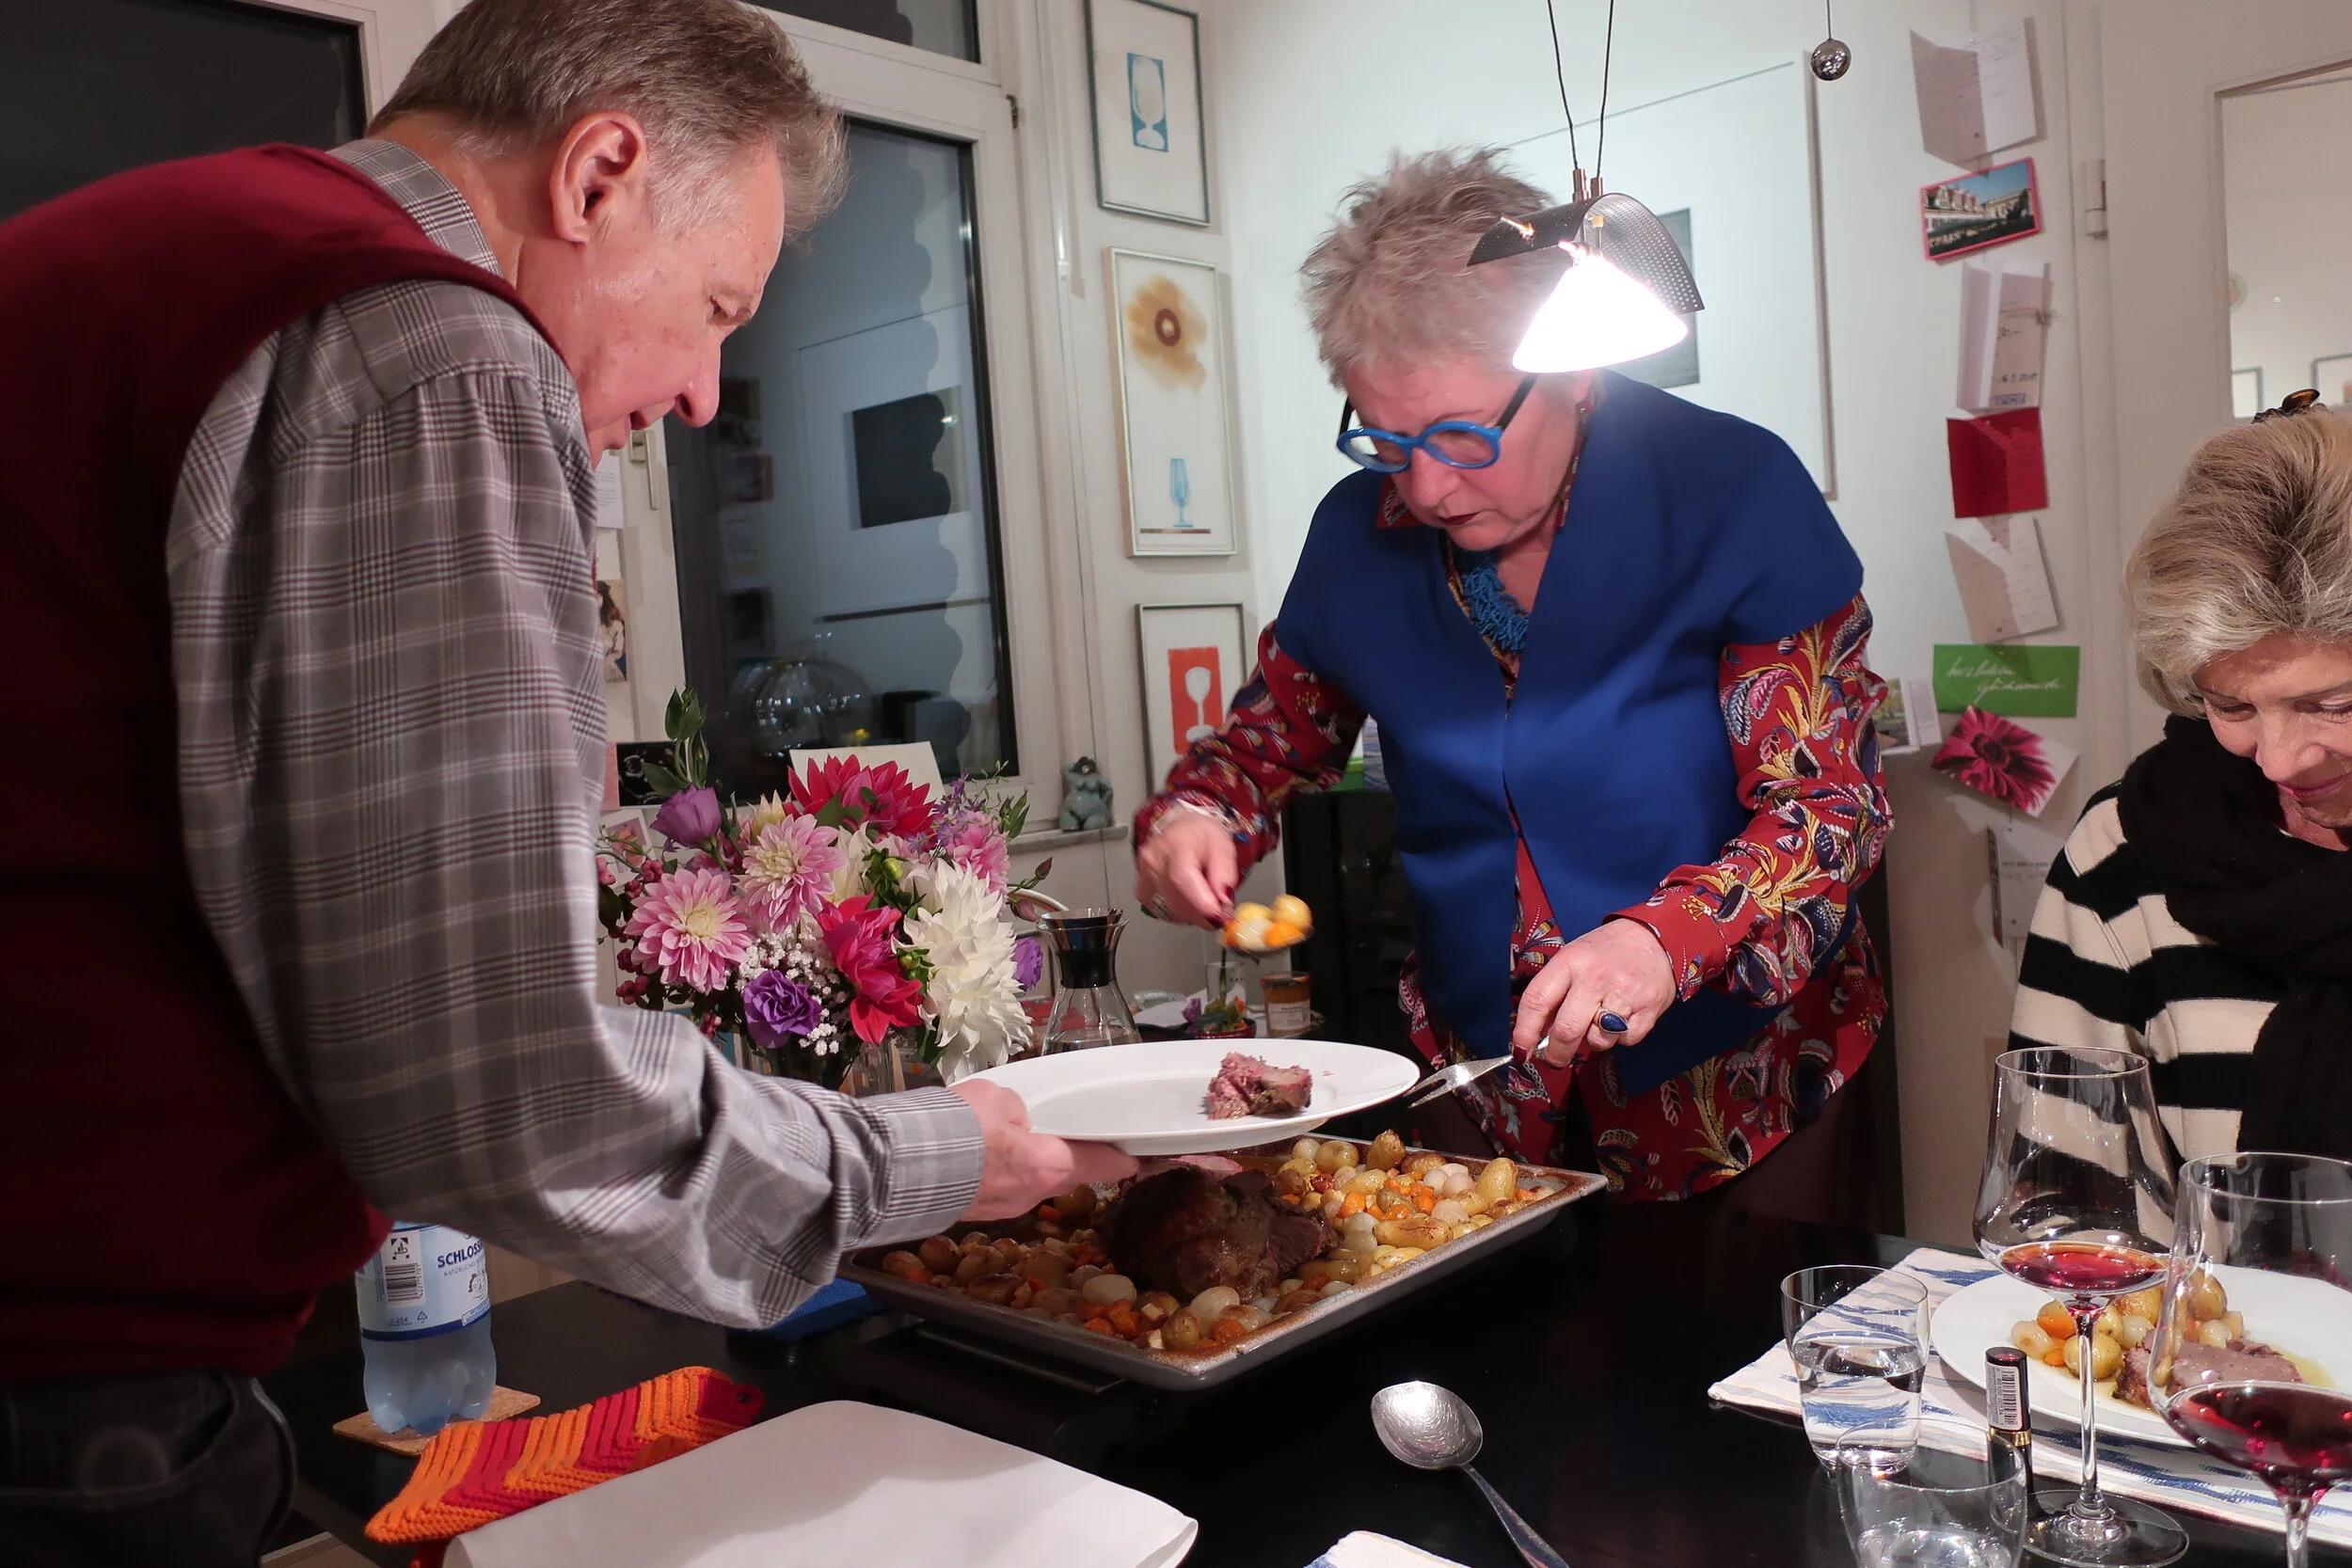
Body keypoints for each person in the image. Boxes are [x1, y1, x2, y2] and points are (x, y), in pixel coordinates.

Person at [0, 1, 1129, 1560]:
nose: (708, 394)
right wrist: (930, 1156)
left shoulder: (173, 245)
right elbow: (483, 1089)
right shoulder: (427, 339)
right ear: (597, 173)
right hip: (58, 1384)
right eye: (720, 305)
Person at [1133, 150, 1892, 1204]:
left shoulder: (1730, 489)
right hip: (1479, 1098)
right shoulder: (1359, 536)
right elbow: (1263, 747)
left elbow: (1828, 804)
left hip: (1741, 1094)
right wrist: (1197, 817)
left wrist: (1661, 940)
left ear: (1574, 374)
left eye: (1461, 433)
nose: (1429, 486)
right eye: (1387, 441)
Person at [2010, 394, 2352, 1164]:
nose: (2278, 759)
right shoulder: (2128, 850)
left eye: (2331, 704)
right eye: (2231, 705)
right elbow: (2069, 1190)